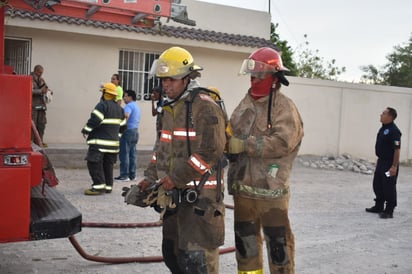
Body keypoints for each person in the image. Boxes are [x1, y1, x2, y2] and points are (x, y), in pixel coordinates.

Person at [134, 46, 227, 273]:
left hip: (201, 201)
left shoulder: (205, 106)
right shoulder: (169, 108)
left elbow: (210, 152)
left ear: (187, 78)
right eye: (164, 79)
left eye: (172, 79)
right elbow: (161, 150)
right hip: (174, 200)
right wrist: (149, 178)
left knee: (198, 263)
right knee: (173, 256)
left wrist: (175, 178)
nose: (166, 84)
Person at [227, 47, 304, 274]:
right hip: (243, 192)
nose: (254, 79)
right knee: (246, 246)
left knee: (279, 248)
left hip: (271, 194)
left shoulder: (284, 108)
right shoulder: (245, 104)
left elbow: (283, 142)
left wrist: (245, 144)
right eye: (252, 74)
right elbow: (231, 131)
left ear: (274, 78)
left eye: (260, 74)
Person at [81, 83, 126, 195]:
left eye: (103, 92)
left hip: (99, 144)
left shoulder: (102, 105)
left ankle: (98, 186)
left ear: (106, 93)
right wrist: (116, 137)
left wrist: (86, 130)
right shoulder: (120, 109)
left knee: (94, 163)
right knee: (108, 165)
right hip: (113, 145)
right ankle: (108, 186)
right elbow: (124, 127)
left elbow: (95, 120)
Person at [365, 107, 401, 219]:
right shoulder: (384, 128)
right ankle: (378, 206)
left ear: (390, 117)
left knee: (388, 185)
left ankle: (389, 210)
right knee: (378, 184)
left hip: (389, 164)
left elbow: (397, 149)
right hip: (382, 162)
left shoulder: (394, 131)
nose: (381, 115)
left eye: (384, 113)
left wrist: (394, 166)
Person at [114, 89, 141, 182]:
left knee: (124, 154)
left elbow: (126, 116)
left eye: (125, 96)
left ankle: (124, 175)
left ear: (130, 97)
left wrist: (120, 127)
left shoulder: (128, 106)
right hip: (135, 131)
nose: (124, 98)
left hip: (127, 131)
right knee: (132, 154)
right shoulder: (136, 106)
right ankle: (132, 175)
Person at [31, 64, 49, 146]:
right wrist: (40, 91)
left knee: (41, 124)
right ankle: (31, 142)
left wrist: (48, 92)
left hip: (41, 106)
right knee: (33, 125)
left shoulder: (41, 80)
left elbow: (45, 88)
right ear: (35, 71)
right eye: (39, 72)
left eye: (42, 72)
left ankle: (39, 141)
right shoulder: (30, 79)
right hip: (34, 106)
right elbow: (30, 91)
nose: (40, 74)